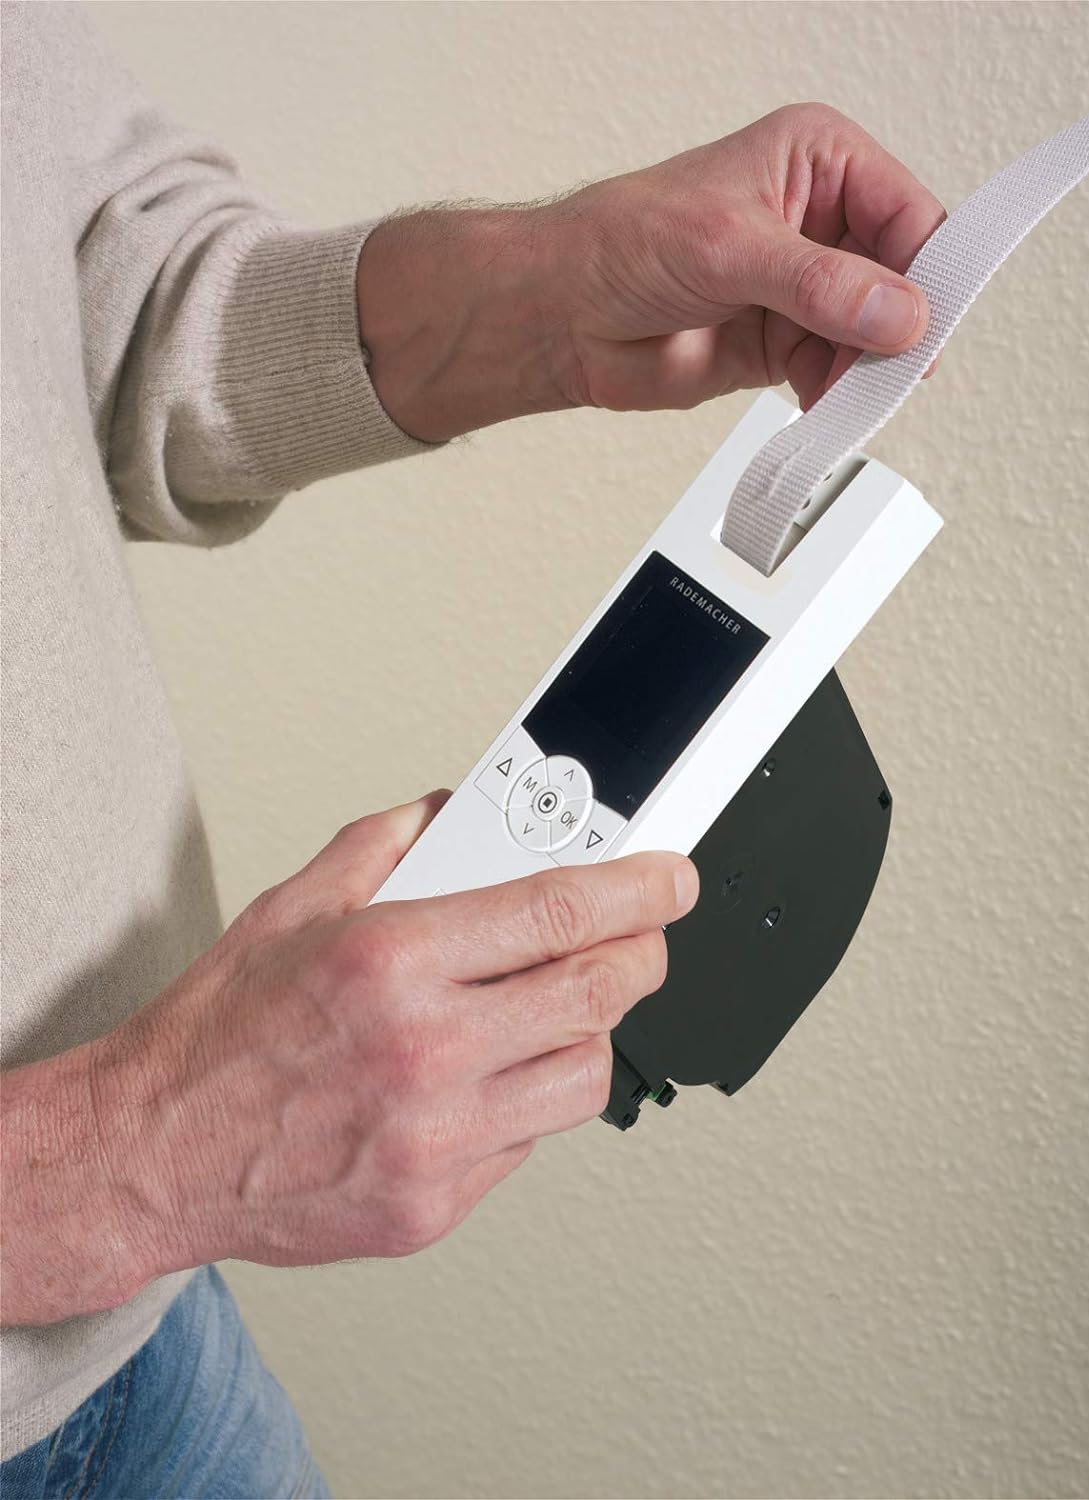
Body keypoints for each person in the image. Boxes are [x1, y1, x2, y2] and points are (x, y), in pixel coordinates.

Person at [0, 4, 944, 1494]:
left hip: (148, 1333)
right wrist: (119, 1155)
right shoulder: (143, 1159)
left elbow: (111, 301)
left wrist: (546, 287)